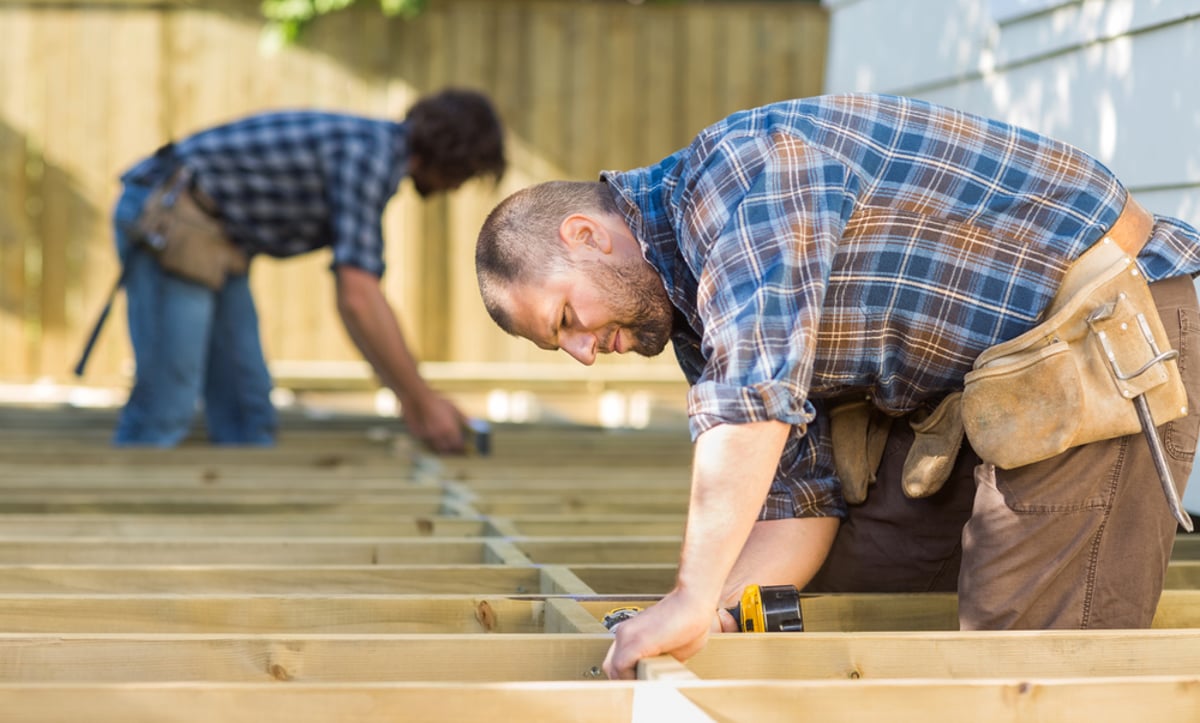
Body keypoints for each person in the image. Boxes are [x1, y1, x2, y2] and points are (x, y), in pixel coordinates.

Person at [474, 93, 1200, 678]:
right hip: (992, 392)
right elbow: (801, 501)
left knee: (1020, 667)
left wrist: (691, 593)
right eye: (559, 342)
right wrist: (716, 612)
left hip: (1100, 338)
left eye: (566, 317)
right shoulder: (696, 317)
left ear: (586, 234)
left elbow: (752, 396)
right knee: (862, 582)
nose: (581, 353)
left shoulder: (737, 177)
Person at [107, 88, 505, 452]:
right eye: (465, 175)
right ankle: (124, 511)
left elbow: (358, 307)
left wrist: (414, 399)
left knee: (247, 416)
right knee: (166, 405)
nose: (456, 189)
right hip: (170, 215)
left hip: (217, 235)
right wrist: (421, 401)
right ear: (453, 155)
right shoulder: (369, 155)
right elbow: (358, 298)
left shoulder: (376, 151)